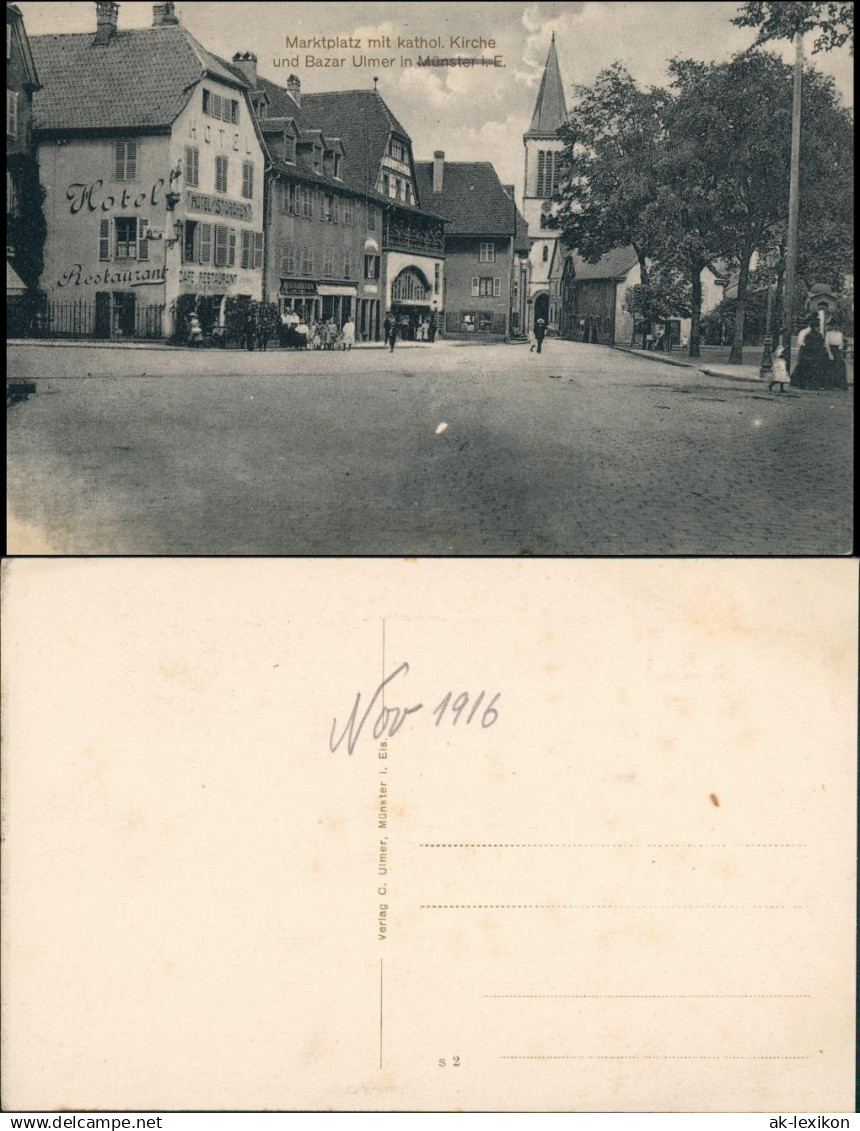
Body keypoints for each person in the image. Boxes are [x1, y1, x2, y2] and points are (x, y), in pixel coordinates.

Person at [790, 317, 828, 389]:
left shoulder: (819, 335)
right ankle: (802, 383)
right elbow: (803, 343)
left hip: (816, 352)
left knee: (817, 367)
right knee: (805, 366)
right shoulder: (806, 333)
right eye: (817, 326)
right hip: (807, 352)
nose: (819, 328)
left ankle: (815, 384)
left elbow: (821, 343)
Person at [823, 316, 848, 390]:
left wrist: (840, 348)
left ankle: (839, 385)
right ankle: (828, 385)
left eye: (836, 325)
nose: (835, 326)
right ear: (831, 326)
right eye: (833, 325)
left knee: (841, 365)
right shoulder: (829, 333)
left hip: (837, 351)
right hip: (830, 350)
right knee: (829, 367)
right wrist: (830, 354)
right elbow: (827, 344)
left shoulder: (840, 334)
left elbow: (841, 344)